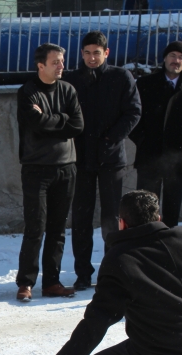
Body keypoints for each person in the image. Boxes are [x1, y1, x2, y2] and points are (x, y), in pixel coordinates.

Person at [30, 190, 182, 355]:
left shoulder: (121, 259)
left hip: (161, 348)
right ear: (158, 218)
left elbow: (97, 319)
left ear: (122, 223)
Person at [63, 31, 141, 291]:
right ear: (81, 53)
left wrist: (111, 139)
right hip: (80, 158)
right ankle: (82, 273)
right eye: (87, 52)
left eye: (97, 52)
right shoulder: (71, 79)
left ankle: (112, 272)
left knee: (113, 219)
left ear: (106, 53)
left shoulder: (120, 77)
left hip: (111, 158)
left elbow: (133, 112)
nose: (91, 57)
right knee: (81, 218)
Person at [15, 43, 84, 302]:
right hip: (36, 170)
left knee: (58, 229)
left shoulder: (68, 90)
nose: (61, 66)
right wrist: (61, 120)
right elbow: (35, 123)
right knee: (35, 227)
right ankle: (26, 282)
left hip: (66, 167)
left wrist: (51, 119)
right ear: (40, 65)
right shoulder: (28, 92)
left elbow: (77, 125)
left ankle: (52, 282)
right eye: (55, 62)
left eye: (62, 61)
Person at [128, 41, 182, 228]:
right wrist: (143, 140)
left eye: (181, 57)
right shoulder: (145, 84)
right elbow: (133, 116)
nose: (176, 60)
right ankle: (146, 243)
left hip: (177, 160)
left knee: (172, 211)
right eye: (173, 56)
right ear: (165, 58)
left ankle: (169, 245)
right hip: (149, 157)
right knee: (145, 209)